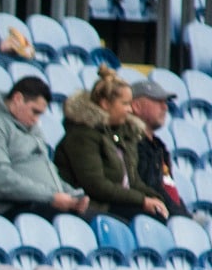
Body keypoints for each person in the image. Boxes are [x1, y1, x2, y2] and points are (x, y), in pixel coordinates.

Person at [54, 67, 170, 221]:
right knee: (146, 218)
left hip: (116, 204)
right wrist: (143, 201)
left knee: (159, 215)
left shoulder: (124, 133)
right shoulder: (82, 135)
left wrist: (155, 198)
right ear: (105, 104)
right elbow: (97, 186)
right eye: (125, 104)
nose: (130, 109)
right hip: (92, 206)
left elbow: (132, 181)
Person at [0, 76, 90, 218]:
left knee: (104, 222)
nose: (36, 120)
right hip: (15, 209)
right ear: (18, 99)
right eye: (35, 111)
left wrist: (72, 196)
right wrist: (51, 197)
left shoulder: (33, 129)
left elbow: (49, 174)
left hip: (44, 205)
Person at [128, 80, 188, 218]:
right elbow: (150, 188)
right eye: (157, 101)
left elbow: (169, 187)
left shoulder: (158, 147)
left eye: (165, 102)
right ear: (136, 106)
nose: (165, 107)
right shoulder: (132, 143)